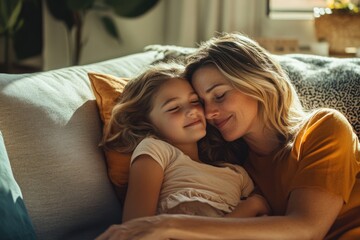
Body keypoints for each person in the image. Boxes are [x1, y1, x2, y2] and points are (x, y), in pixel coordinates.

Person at [96, 33, 360, 240]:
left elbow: (306, 229)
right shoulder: (237, 165)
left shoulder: (323, 128)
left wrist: (165, 225)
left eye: (220, 95)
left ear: (258, 83)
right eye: (202, 101)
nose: (209, 113)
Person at [101, 62, 270, 223]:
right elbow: (136, 227)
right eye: (174, 107)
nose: (192, 111)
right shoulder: (156, 150)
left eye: (196, 101)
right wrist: (252, 206)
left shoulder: (237, 173)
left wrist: (255, 206)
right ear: (145, 121)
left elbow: (262, 224)